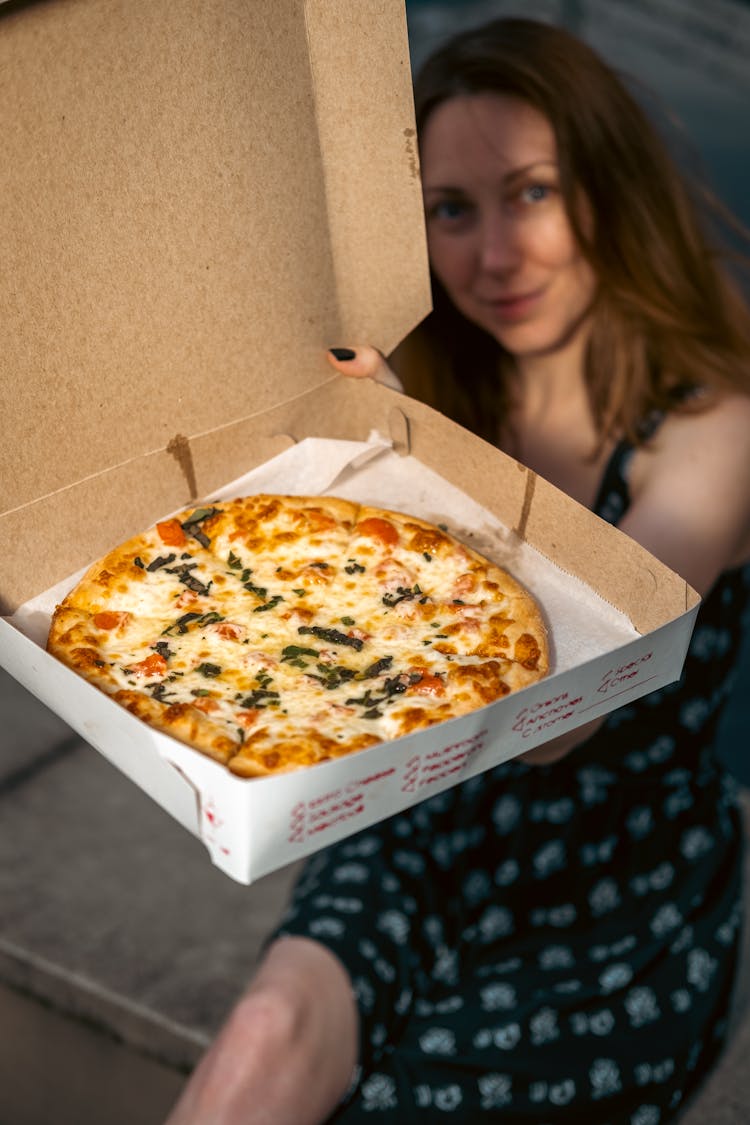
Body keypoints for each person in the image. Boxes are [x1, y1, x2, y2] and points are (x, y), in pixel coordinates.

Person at [166, 17, 750, 1124]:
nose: (495, 258)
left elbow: (572, 702)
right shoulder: (437, 382)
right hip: (426, 819)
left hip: (617, 885)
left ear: (610, 187)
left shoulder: (714, 422)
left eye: (532, 192)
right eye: (452, 210)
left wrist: (405, 463)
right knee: (261, 1036)